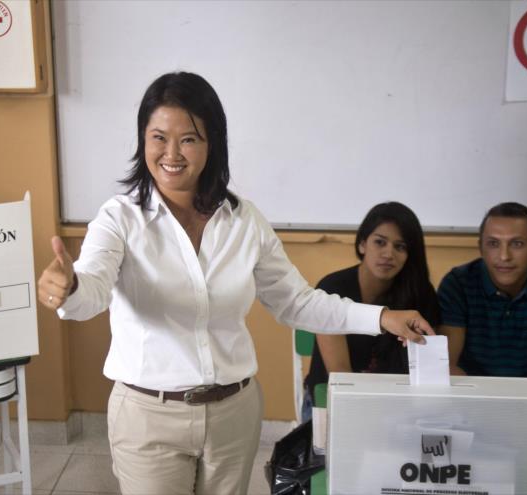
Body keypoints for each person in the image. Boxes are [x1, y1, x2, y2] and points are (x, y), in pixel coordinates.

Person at [37, 72, 435, 495]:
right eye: (158, 137)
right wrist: (70, 286)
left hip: (234, 414)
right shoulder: (119, 219)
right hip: (148, 417)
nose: (171, 153)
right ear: (143, 141)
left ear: (213, 144)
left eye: (188, 139)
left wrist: (383, 317)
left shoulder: (244, 220)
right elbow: (92, 289)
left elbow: (297, 303)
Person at [301, 202, 441, 421]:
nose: (388, 253)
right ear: (362, 244)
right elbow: (341, 376)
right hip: (331, 403)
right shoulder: (332, 289)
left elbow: (425, 371)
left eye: (400, 246)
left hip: (395, 404)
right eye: (380, 242)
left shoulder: (420, 294)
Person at [437, 202, 527, 398]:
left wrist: (519, 402)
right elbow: (446, 364)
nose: (504, 256)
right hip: (471, 397)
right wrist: (486, 402)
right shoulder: (458, 284)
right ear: (480, 248)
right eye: (493, 244)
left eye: (517, 244)